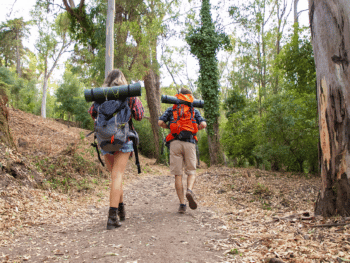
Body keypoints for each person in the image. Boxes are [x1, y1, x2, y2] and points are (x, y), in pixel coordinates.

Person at [88, 69, 144, 230]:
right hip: (123, 138)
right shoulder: (129, 94)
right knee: (117, 176)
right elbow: (139, 115)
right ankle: (112, 217)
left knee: (115, 177)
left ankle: (121, 210)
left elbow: (92, 113)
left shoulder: (100, 95)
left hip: (104, 140)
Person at [158, 88, 207, 213]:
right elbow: (203, 124)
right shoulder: (193, 110)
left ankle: (182, 204)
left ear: (179, 97)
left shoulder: (172, 109)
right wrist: (194, 128)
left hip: (175, 143)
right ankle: (189, 190)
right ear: (190, 97)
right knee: (191, 172)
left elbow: (160, 122)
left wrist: (170, 126)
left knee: (178, 174)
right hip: (190, 143)